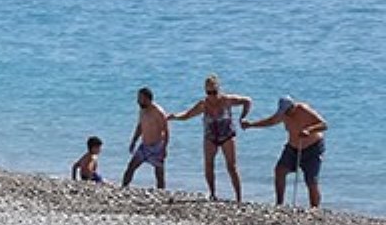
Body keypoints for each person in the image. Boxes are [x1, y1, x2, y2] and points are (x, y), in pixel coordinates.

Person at [168, 74, 251, 203]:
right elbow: (187, 115)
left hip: (227, 135)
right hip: (210, 136)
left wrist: (243, 117)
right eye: (209, 92)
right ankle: (212, 193)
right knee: (208, 165)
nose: (212, 95)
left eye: (214, 92)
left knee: (231, 167)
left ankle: (239, 197)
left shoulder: (227, 100)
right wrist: (174, 117)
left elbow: (247, 101)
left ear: (219, 89)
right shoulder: (203, 104)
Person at [242, 97, 327, 208]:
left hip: (313, 148)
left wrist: (309, 130)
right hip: (293, 148)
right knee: (280, 171)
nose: (286, 114)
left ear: (293, 107)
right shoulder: (283, 114)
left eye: (288, 111)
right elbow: (271, 121)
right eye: (284, 112)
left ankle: (315, 209)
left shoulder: (303, 109)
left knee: (311, 180)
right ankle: (279, 204)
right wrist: (251, 125)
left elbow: (324, 124)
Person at [121, 87, 171, 189]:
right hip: (144, 146)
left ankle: (161, 193)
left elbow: (166, 131)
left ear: (148, 99)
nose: (138, 101)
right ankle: (123, 187)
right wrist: (134, 140)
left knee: (159, 174)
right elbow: (140, 126)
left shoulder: (158, 112)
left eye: (140, 98)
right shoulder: (142, 110)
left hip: (157, 146)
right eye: (138, 98)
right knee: (131, 167)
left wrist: (164, 148)